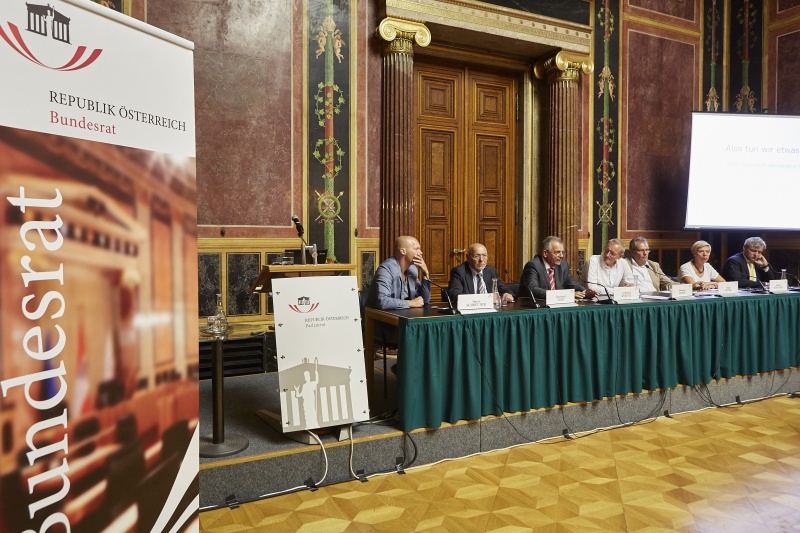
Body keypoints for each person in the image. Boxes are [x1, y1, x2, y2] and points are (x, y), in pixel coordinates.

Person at [520, 236, 595, 300]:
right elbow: (533, 290)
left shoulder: (563, 265)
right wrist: (567, 295)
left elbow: (572, 283)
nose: (561, 256)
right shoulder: (533, 265)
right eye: (557, 252)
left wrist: (585, 292)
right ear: (545, 253)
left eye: (562, 252)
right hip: (538, 307)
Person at [367, 235, 431, 309]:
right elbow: (383, 301)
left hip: (402, 314)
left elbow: (424, 300)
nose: (421, 252)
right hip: (378, 315)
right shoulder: (386, 269)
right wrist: (411, 303)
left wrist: (425, 272)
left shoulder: (412, 269)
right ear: (403, 251)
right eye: (416, 249)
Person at [447, 243, 515, 305]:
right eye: (476, 256)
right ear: (467, 257)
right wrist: (486, 299)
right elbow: (455, 295)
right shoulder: (459, 272)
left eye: (484, 255)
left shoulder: (491, 271)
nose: (481, 260)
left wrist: (508, 294)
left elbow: (503, 288)